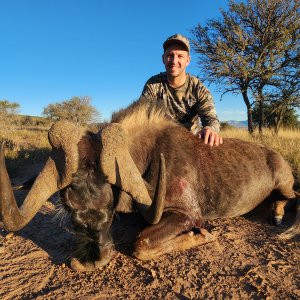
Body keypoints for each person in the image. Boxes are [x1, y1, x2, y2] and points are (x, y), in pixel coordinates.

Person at [140, 34, 223, 146]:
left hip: (191, 145)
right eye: (170, 55)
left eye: (180, 56)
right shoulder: (153, 85)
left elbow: (211, 119)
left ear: (188, 60)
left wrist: (210, 129)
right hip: (161, 143)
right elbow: (142, 117)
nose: (174, 61)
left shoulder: (198, 88)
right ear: (163, 58)